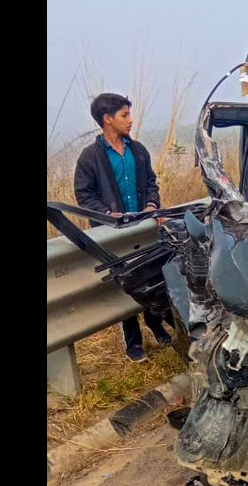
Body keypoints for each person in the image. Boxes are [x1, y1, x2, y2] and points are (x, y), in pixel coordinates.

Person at [74, 93, 173, 361]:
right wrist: (107, 215)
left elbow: (151, 182)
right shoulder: (90, 157)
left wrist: (152, 204)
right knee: (126, 284)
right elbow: (84, 195)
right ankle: (133, 342)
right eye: (124, 115)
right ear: (107, 119)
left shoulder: (138, 150)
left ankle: (155, 324)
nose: (130, 120)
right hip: (114, 235)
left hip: (143, 229)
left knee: (152, 277)